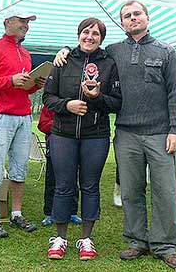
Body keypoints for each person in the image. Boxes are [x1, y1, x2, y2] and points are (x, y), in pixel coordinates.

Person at [54, 0, 176, 269]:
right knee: (131, 192)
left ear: (147, 17)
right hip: (126, 134)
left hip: (160, 134)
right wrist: (64, 50)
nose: (133, 18)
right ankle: (137, 240)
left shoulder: (166, 52)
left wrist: (175, 130)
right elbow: (85, 53)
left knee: (164, 191)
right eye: (127, 16)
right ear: (121, 23)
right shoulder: (112, 52)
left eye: (137, 14)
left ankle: (165, 245)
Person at [43, 17, 121, 261]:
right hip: (62, 134)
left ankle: (86, 240)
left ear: (101, 38)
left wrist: (96, 97)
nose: (90, 37)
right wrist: (68, 105)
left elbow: (117, 102)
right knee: (63, 186)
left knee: (90, 186)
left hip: (95, 136)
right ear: (79, 35)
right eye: (86, 32)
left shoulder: (109, 64)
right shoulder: (63, 60)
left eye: (95, 33)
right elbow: (47, 97)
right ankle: (60, 239)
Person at [0, 7, 46, 238]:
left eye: (29, 21)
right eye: (22, 20)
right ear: (8, 22)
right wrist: (10, 80)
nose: (26, 25)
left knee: (20, 168)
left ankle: (16, 214)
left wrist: (37, 83)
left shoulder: (25, 54)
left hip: (23, 116)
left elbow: (24, 88)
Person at [37, 105, 82, 226]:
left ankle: (72, 212)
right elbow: (42, 124)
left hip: (74, 146)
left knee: (73, 180)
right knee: (51, 181)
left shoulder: (78, 103)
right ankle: (49, 213)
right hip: (55, 146)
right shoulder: (51, 104)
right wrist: (61, 125)